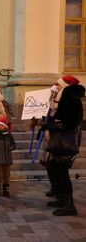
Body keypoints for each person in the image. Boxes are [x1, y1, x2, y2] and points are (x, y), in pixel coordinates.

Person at [42, 75, 85, 216]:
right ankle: (61, 199)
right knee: (55, 168)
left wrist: (52, 126)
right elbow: (59, 117)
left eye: (59, 85)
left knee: (62, 171)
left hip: (66, 142)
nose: (56, 87)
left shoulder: (71, 100)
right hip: (60, 141)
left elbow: (69, 124)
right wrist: (47, 123)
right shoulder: (67, 98)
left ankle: (69, 205)